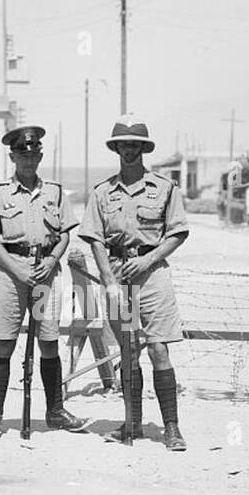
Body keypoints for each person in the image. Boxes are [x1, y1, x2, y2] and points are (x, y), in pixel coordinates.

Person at [78, 115, 190, 451]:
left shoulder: (165, 189)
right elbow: (95, 239)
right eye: (123, 144)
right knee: (127, 352)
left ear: (142, 148)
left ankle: (171, 428)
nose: (129, 149)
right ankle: (133, 423)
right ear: (116, 149)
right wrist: (109, 280)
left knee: (158, 348)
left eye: (134, 144)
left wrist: (149, 259)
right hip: (117, 276)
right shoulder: (102, 192)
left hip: (152, 273)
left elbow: (177, 232)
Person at [0, 125, 89, 438]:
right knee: (5, 343)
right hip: (10, 272)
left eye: (33, 153)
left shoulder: (54, 191)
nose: (28, 159)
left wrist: (53, 260)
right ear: (12, 156)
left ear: (40, 155)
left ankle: (55, 411)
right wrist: (16, 268)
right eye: (21, 154)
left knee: (49, 342)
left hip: (46, 271)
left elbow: (65, 233)